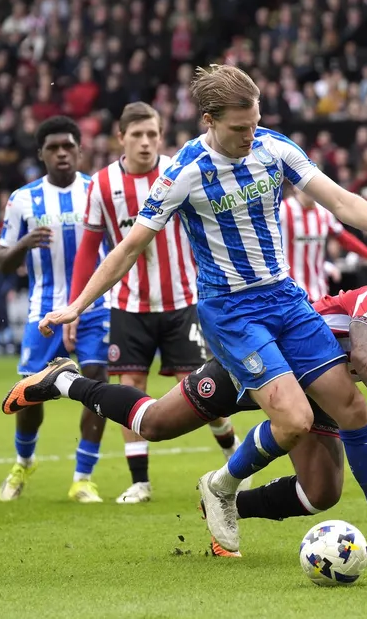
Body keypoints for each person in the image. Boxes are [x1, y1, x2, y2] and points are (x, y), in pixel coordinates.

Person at [33, 65, 367, 561]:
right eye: (239, 128)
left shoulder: (274, 148)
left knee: (351, 408)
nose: (250, 134)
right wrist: (76, 305)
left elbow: (337, 199)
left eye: (255, 122)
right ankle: (221, 486)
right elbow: (128, 248)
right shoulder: (184, 172)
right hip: (231, 313)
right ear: (209, 121)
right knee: (293, 420)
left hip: (286, 301)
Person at [3, 255, 367, 560]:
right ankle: (64, 379)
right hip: (266, 356)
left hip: (323, 391)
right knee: (154, 423)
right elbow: (365, 353)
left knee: (322, 492)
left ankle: (226, 502)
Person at [69, 102, 242, 505]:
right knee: (131, 388)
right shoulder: (101, 185)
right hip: (128, 306)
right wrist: (76, 306)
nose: (146, 143)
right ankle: (140, 481)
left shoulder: (179, 170)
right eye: (137, 135)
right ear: (121, 138)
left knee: (203, 390)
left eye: (152, 134)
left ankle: (233, 457)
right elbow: (88, 251)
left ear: (160, 137)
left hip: (183, 301)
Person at [0, 115, 110, 503]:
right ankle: (24, 462)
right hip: (42, 310)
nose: (62, 154)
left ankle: (82, 477)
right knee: (31, 392)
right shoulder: (23, 199)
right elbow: (2, 263)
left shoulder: (97, 192)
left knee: (96, 382)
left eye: (68, 147)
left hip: (95, 308)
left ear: (80, 150)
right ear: (41, 154)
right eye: (53, 148)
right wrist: (24, 242)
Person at [281, 184, 367, 303]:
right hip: (290, 292)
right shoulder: (283, 210)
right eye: (302, 184)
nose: (308, 188)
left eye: (310, 184)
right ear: (294, 187)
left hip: (318, 293)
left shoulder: (324, 213)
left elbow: (346, 240)